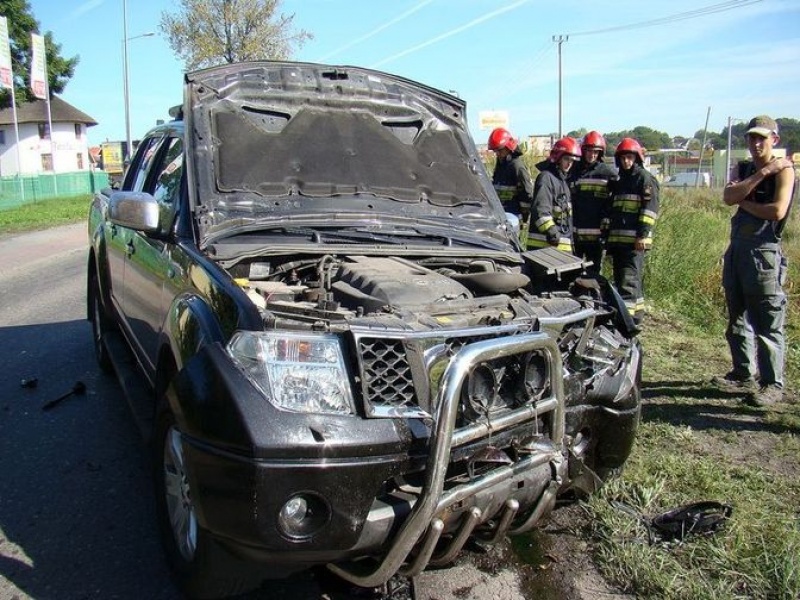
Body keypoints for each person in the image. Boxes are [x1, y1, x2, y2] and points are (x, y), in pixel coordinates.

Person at [713, 115, 795, 406]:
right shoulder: (747, 168)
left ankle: (771, 384)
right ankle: (742, 372)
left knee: (767, 323)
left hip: (764, 255)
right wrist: (760, 175)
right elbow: (727, 196)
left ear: (775, 139)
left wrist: (743, 199)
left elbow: (776, 211)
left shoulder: (784, 171)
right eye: (751, 138)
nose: (756, 143)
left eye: (762, 138)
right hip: (737, 252)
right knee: (735, 318)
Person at [606, 137, 659, 326]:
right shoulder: (620, 180)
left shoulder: (644, 179)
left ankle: (628, 321)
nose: (626, 161)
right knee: (623, 280)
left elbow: (649, 210)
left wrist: (642, 235)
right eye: (623, 158)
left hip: (634, 242)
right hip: (619, 242)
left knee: (629, 281)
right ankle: (633, 316)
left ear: (637, 158)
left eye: (629, 157)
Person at [571, 131, 618, 273]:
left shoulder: (608, 173)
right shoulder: (574, 170)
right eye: (589, 151)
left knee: (594, 273)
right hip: (575, 234)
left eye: (595, 152)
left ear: (600, 153)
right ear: (583, 151)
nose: (592, 155)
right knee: (572, 271)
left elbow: (613, 201)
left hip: (596, 236)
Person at [526, 136, 582, 252]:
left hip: (561, 250)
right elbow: (540, 210)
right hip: (544, 249)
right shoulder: (546, 178)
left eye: (572, 160)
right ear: (558, 158)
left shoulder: (563, 182)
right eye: (566, 159)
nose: (569, 164)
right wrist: (552, 232)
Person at [488, 127, 534, 223]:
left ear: (508, 147)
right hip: (502, 215)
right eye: (495, 151)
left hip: (514, 216)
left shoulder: (517, 166)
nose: (497, 154)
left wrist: (524, 218)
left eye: (499, 150)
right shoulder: (501, 165)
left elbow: (527, 193)